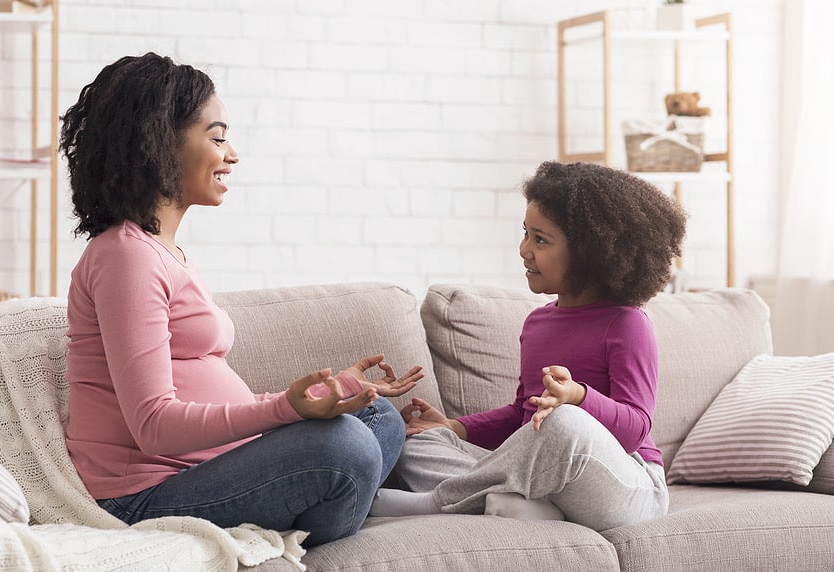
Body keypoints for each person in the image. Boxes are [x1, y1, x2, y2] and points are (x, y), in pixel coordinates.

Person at [59, 53, 422, 546]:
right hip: (145, 494)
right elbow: (153, 426)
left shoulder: (163, 251)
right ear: (160, 142)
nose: (232, 155)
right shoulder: (126, 256)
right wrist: (286, 409)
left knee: (376, 416)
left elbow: (202, 392)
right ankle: (351, 499)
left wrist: (329, 391)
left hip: (213, 464)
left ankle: (344, 498)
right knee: (349, 445)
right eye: (217, 137)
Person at [369, 160, 687, 531]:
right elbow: (524, 415)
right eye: (525, 233)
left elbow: (635, 428)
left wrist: (579, 398)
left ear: (589, 252)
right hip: (549, 483)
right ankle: (519, 506)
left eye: (540, 239)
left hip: (629, 487)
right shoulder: (537, 324)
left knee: (563, 421)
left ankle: (439, 503)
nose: (524, 249)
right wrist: (455, 427)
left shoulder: (627, 323)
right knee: (419, 442)